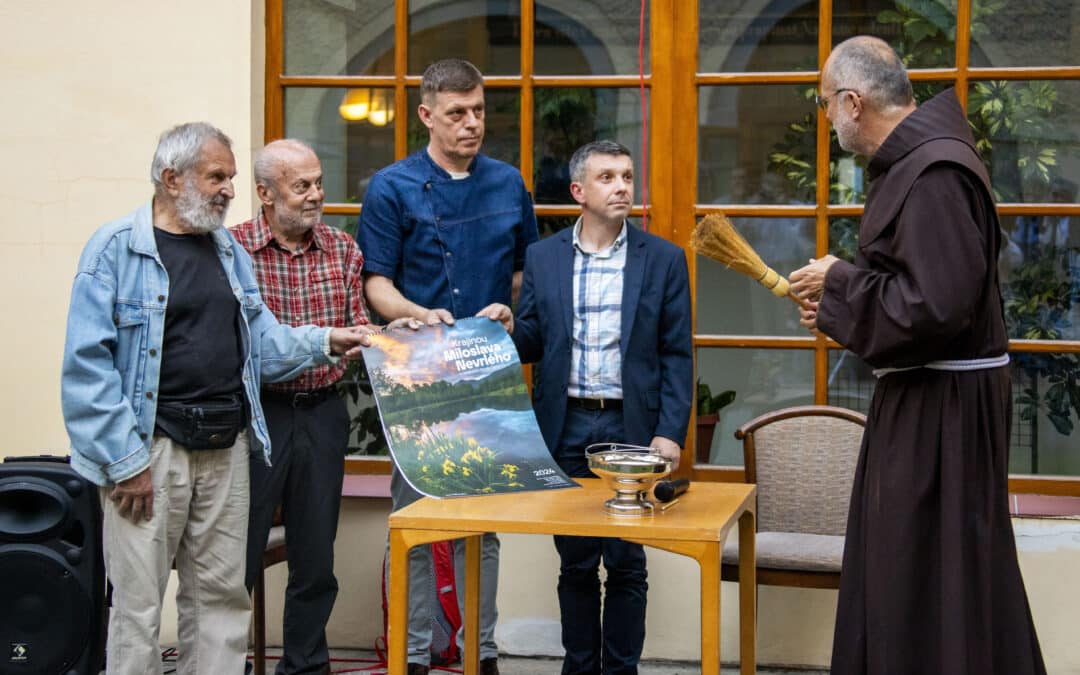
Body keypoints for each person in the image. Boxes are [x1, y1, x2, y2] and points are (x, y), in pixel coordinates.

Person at [60, 122, 377, 675]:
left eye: (230, 177)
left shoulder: (227, 251)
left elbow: (262, 342)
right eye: (217, 177)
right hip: (149, 454)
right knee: (137, 609)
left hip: (226, 451)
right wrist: (125, 464)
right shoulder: (115, 250)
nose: (230, 189)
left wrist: (326, 340)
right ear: (171, 179)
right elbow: (87, 371)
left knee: (221, 605)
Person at [788, 37, 1047, 675]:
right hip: (927, 399)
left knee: (931, 572)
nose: (828, 120)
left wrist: (840, 282)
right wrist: (838, 301)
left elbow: (937, 307)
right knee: (911, 567)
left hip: (944, 412)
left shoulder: (935, 174)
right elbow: (917, 292)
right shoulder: (919, 163)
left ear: (853, 103)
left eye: (826, 105)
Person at [356, 58, 537, 675]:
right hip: (418, 370)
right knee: (416, 519)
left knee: (482, 524)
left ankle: (479, 653)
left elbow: (524, 271)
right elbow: (376, 282)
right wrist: (416, 312)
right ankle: (410, 655)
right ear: (427, 116)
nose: (472, 123)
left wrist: (509, 308)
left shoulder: (508, 183)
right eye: (457, 113)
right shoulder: (392, 187)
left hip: (486, 370)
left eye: (479, 110)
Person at [512, 140, 693, 675]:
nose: (621, 187)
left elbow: (677, 353)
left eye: (627, 177)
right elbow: (532, 341)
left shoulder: (663, 259)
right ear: (578, 191)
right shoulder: (543, 257)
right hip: (565, 424)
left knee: (627, 562)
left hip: (630, 426)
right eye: (607, 177)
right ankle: (579, 667)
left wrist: (670, 431)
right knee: (575, 562)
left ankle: (620, 670)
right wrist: (505, 327)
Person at [231, 139, 370, 675]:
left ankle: (305, 666)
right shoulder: (231, 250)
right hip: (255, 416)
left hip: (322, 413)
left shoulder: (342, 248)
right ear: (265, 193)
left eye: (319, 183)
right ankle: (225, 663)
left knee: (315, 559)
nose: (316, 195)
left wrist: (394, 335)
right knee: (236, 553)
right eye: (301, 186)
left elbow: (357, 327)